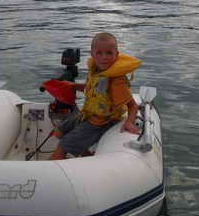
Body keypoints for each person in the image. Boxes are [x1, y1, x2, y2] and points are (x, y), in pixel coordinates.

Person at [48, 32, 142, 160]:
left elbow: (133, 106)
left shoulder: (116, 81)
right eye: (99, 53)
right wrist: (73, 85)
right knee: (59, 131)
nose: (104, 57)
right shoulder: (96, 71)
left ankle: (52, 166)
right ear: (92, 54)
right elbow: (91, 89)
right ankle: (87, 155)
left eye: (109, 53)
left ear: (117, 54)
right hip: (89, 114)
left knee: (63, 145)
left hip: (103, 121)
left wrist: (129, 122)